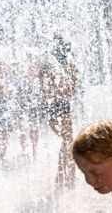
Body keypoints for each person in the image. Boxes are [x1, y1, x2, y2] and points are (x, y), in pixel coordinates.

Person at [38, 35, 80, 188]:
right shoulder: (52, 66)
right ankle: (65, 176)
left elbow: (71, 90)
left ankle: (64, 176)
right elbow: (69, 89)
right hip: (56, 106)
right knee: (68, 141)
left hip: (59, 106)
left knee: (68, 141)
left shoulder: (67, 66)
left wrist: (58, 90)